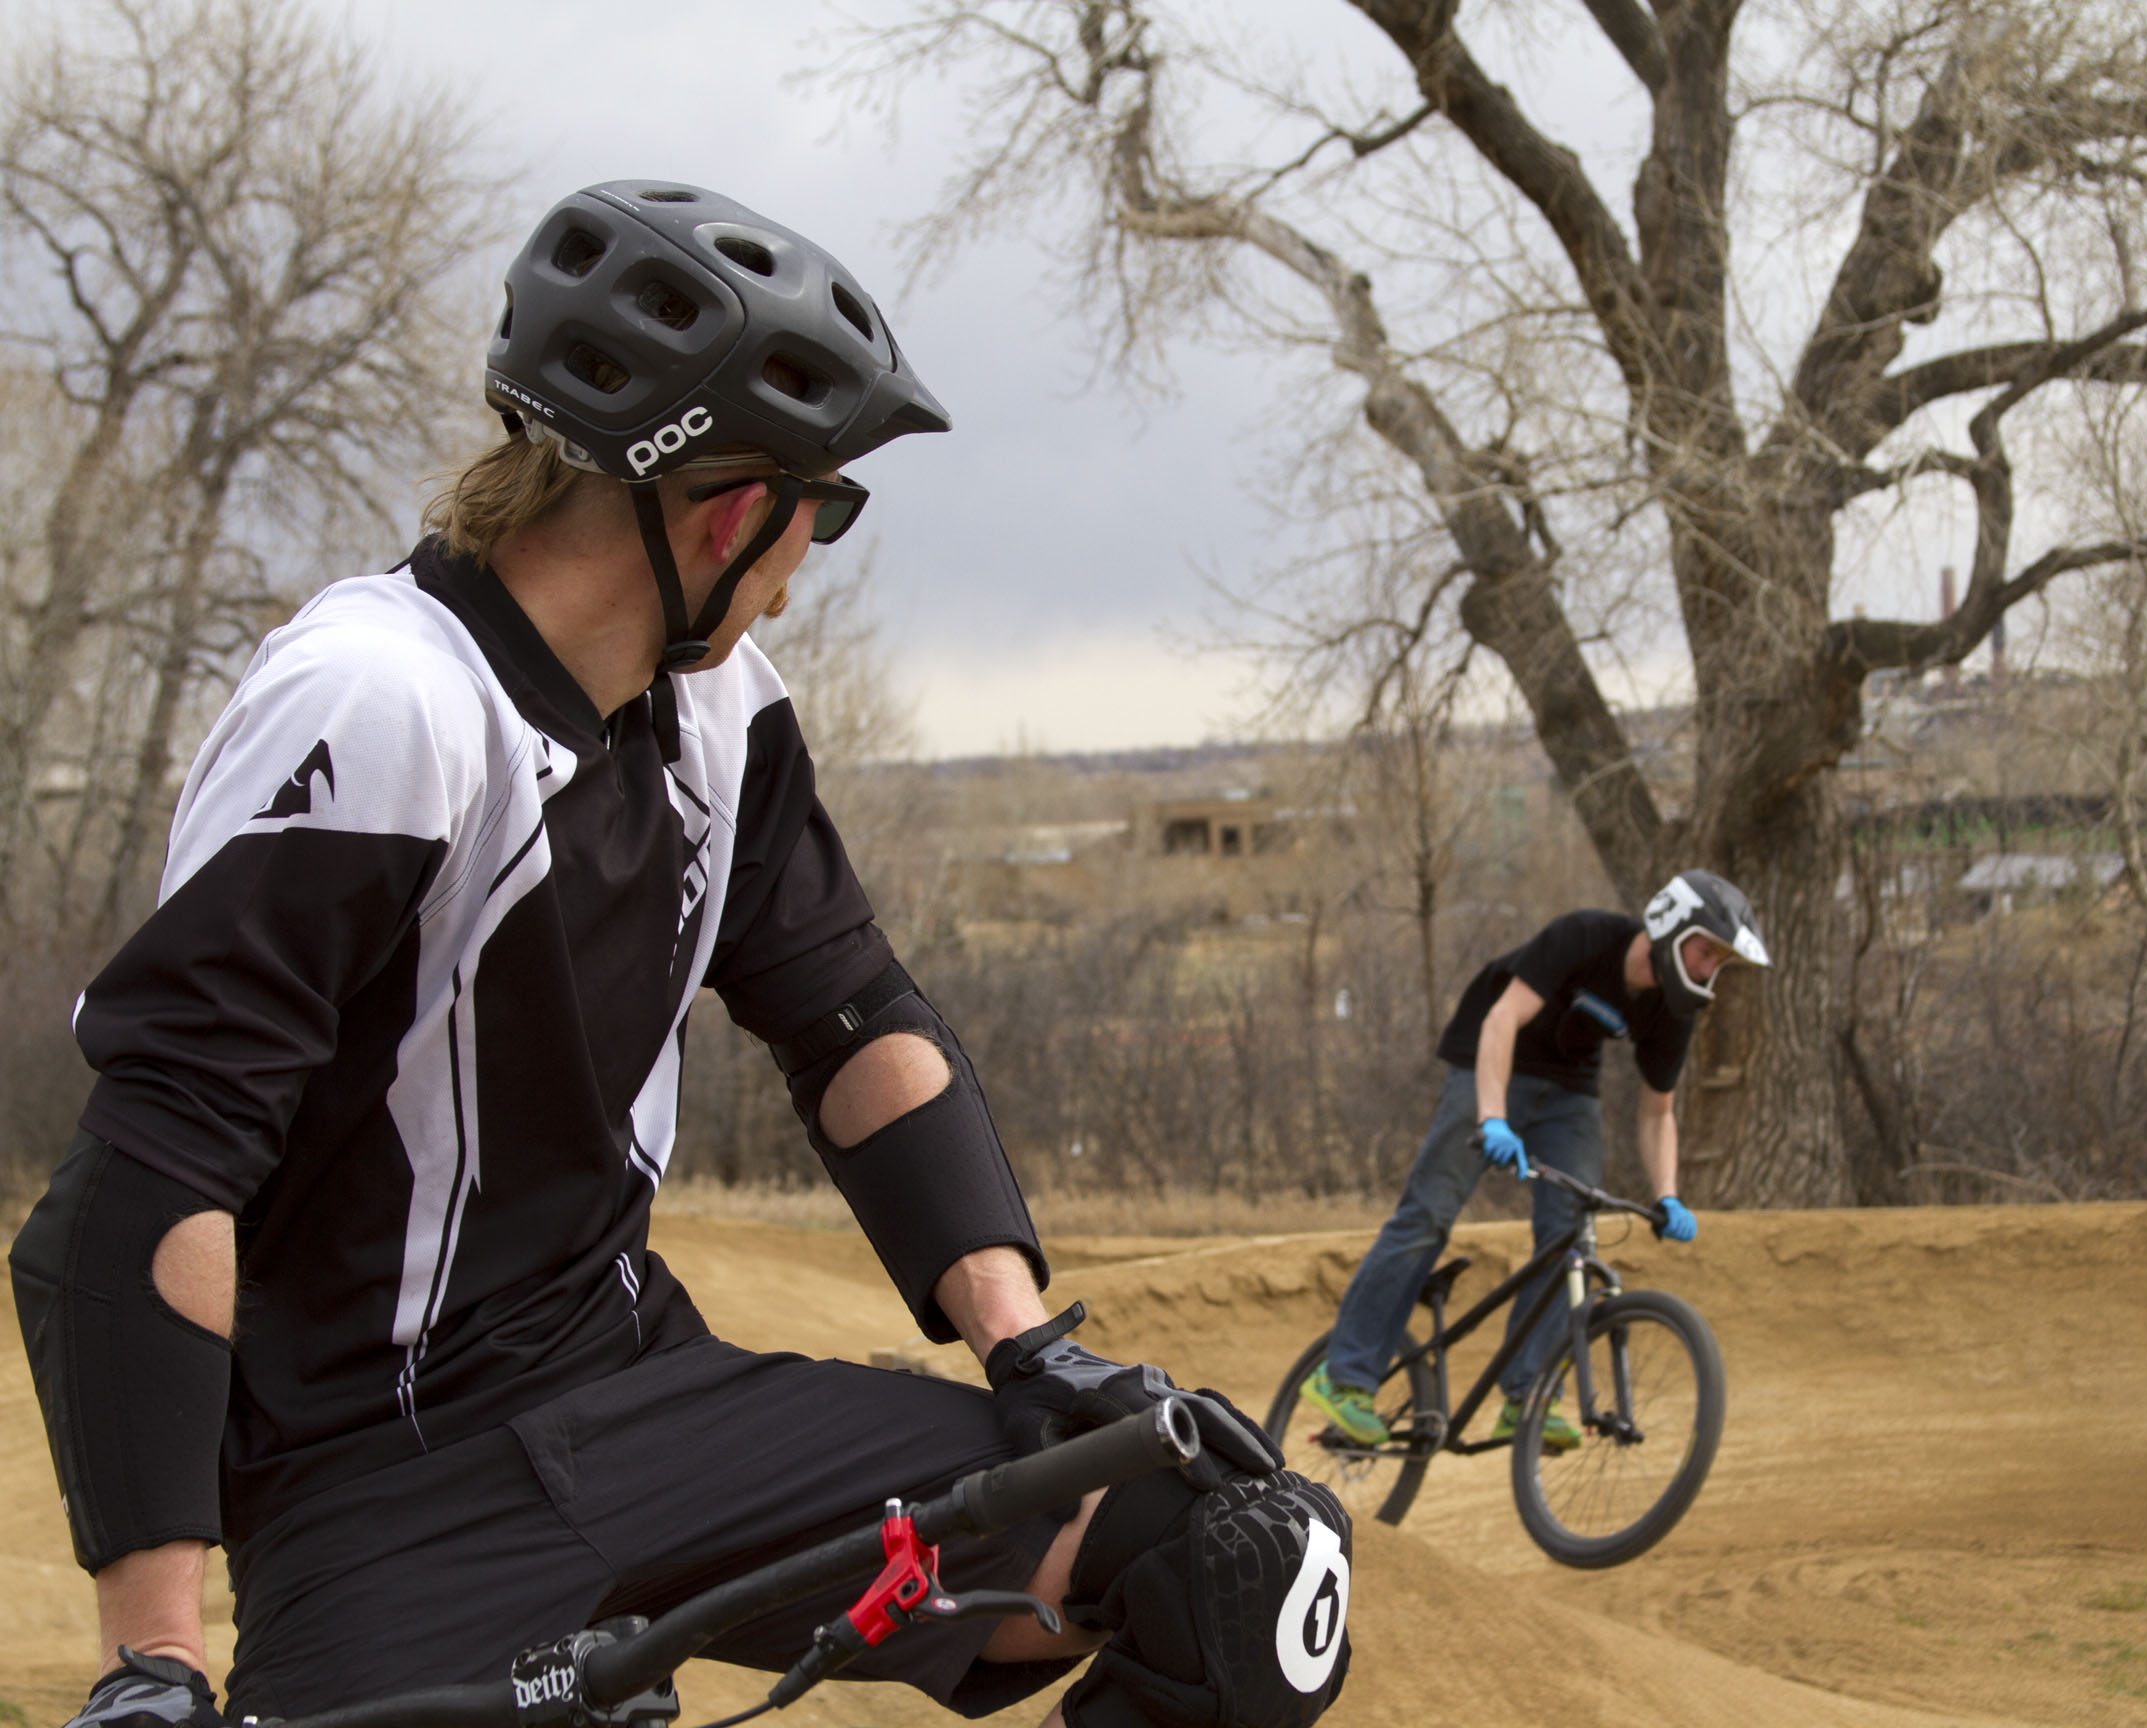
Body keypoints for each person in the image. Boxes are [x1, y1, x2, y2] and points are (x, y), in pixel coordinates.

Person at [11, 182, 1348, 1728]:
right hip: (382, 1482)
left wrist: (1029, 1346)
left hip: (646, 1397)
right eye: (822, 512)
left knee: (1241, 1554)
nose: (804, 560)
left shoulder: (720, 711)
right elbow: (148, 1173)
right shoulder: (384, 702)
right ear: (734, 513)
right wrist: (153, 1664)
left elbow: (855, 1026)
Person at [1302, 872, 1769, 1449]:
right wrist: (1492, 1117)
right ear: (1671, 924)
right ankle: (1345, 1377)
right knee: (1428, 1216)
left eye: (1718, 961)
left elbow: (1657, 1111)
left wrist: (1668, 1194)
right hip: (1490, 1058)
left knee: (1571, 1237)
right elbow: (1502, 1019)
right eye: (1706, 952)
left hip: (1569, 1090)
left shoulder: (1673, 1010)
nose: (1708, 970)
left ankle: (1527, 1396)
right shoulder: (1585, 936)